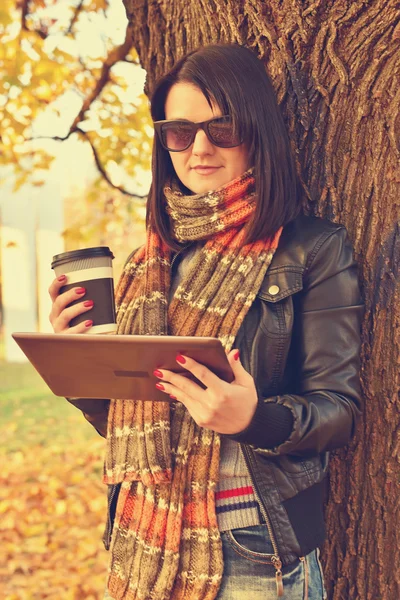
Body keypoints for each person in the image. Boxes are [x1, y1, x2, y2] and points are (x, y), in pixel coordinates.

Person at [48, 44, 363, 600]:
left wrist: (253, 419)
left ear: (257, 130)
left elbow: (338, 410)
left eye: (222, 128)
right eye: (180, 131)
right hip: (142, 538)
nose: (199, 148)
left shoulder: (311, 248)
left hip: (252, 549)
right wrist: (81, 368)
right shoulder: (153, 261)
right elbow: (130, 416)